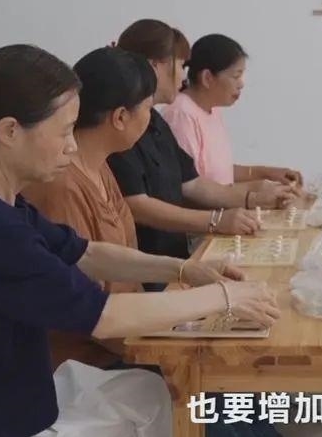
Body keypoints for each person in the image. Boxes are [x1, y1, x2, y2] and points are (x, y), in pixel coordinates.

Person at [0, 44, 281, 437]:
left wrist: (182, 270)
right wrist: (223, 297)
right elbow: (105, 316)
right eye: (64, 132)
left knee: (154, 395)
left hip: (5, 403)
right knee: (154, 427)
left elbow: (87, 252)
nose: (72, 145)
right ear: (10, 131)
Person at [24, 46, 320, 437]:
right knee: (200, 377)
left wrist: (188, 278)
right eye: (148, 108)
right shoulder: (62, 187)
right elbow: (89, 311)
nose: (153, 119)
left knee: (219, 357)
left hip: (126, 328)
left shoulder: (98, 168)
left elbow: (119, 262)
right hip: (88, 354)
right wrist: (179, 326)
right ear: (120, 117)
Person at [110, 20, 299, 263]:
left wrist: (253, 199)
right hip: (149, 262)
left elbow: (193, 183)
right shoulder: (129, 122)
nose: (183, 76)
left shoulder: (155, 121)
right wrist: (217, 219)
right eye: (180, 65)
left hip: (174, 255)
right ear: (154, 66)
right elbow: (136, 204)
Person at [162, 33, 302, 188]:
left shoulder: (212, 110)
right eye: (236, 76)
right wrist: (254, 191)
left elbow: (221, 173)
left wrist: (267, 173)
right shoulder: (181, 115)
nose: (241, 84)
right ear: (207, 78)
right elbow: (191, 186)